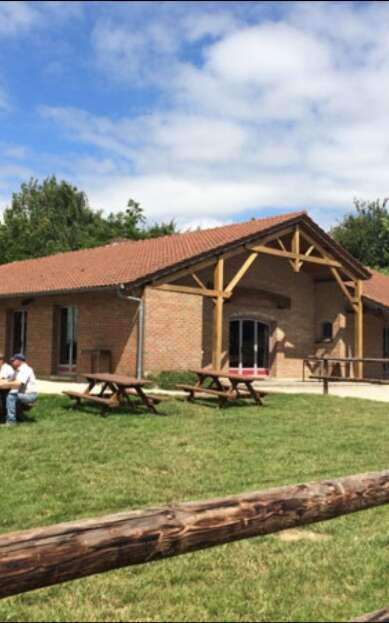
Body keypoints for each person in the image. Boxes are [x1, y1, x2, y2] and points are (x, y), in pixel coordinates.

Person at [0, 353, 38, 426]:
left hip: (30, 395)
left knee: (11, 396)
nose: (12, 362)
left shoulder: (25, 369)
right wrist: (3, 383)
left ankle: (11, 422)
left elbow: (18, 383)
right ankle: (5, 416)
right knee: (5, 394)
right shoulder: (17, 370)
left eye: (13, 360)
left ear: (19, 361)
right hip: (22, 394)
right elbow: (9, 381)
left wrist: (3, 384)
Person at [0, 353, 15, 419]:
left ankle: (4, 414)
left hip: (8, 389)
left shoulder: (7, 368)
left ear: (2, 360)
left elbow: (2, 381)